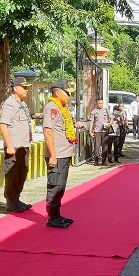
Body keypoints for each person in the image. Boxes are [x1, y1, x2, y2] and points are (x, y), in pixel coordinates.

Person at [42, 78, 85, 229]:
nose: (69, 96)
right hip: (57, 155)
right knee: (55, 185)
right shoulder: (52, 108)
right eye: (67, 93)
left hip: (64, 153)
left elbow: (62, 126)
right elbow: (48, 132)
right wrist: (52, 155)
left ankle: (57, 214)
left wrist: (74, 125)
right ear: (58, 92)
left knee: (60, 186)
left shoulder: (61, 108)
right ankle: (52, 217)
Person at [0, 76, 35, 213]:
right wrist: (9, 145)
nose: (26, 90)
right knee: (12, 174)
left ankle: (16, 199)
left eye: (27, 87)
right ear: (15, 88)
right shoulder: (10, 103)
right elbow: (3, 125)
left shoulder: (22, 103)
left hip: (23, 145)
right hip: (14, 146)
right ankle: (11, 201)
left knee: (22, 172)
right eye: (24, 87)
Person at [88, 97, 112, 166]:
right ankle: (96, 161)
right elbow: (92, 122)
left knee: (105, 147)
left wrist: (109, 124)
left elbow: (111, 118)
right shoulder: (94, 112)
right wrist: (90, 131)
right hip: (97, 131)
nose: (100, 104)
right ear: (96, 103)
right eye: (99, 103)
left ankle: (104, 161)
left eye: (102, 103)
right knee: (97, 146)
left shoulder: (106, 110)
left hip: (105, 131)